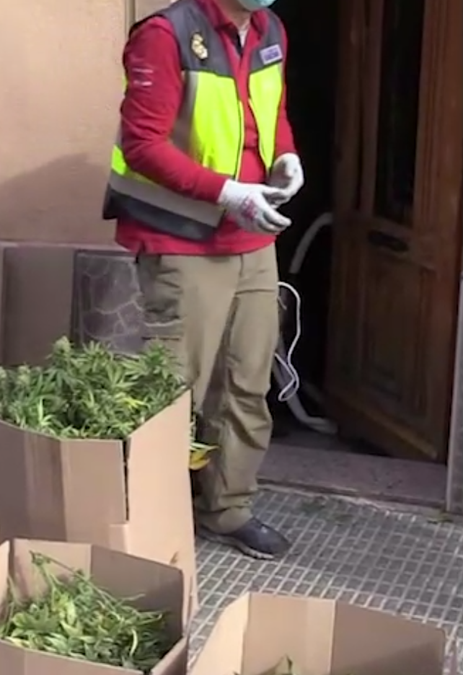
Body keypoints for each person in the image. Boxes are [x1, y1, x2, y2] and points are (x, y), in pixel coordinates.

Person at [103, 0, 303, 559]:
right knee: (170, 391)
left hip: (253, 240)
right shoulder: (166, 36)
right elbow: (143, 145)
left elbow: (273, 113)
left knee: (246, 383)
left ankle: (227, 509)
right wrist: (227, 192)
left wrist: (285, 157)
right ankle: (147, 514)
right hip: (181, 238)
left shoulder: (270, 30)